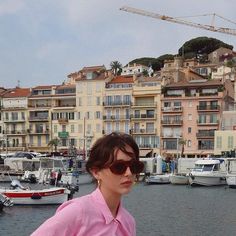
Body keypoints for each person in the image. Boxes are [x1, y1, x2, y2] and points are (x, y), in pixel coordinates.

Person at [31, 132, 144, 236]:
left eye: (134, 166)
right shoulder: (78, 212)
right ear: (96, 172)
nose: (129, 173)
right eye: (119, 167)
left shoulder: (128, 222)